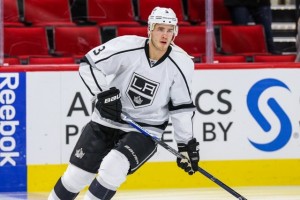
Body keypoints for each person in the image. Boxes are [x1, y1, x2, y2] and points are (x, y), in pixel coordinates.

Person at [48, 6, 199, 200]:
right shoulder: (126, 46)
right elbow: (89, 64)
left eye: (170, 30)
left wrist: (186, 145)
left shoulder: (182, 63)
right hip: (106, 121)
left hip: (146, 128)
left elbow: (181, 108)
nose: (165, 35)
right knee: (75, 178)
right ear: (150, 29)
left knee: (113, 167)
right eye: (160, 29)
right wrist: (103, 95)